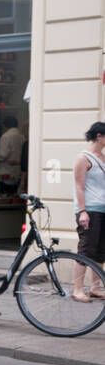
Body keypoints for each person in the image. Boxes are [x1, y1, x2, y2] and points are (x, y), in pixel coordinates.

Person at [71, 121, 105, 301]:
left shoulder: (102, 157)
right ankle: (77, 289)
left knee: (100, 250)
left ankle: (95, 288)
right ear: (99, 136)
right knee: (86, 249)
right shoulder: (84, 158)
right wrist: (82, 211)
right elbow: (79, 187)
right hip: (89, 210)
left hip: (102, 209)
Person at [0, 115, 25, 196]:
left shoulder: (5, 136)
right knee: (14, 196)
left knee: (3, 196)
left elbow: (3, 155)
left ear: (5, 125)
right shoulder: (22, 136)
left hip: (5, 172)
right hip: (18, 171)